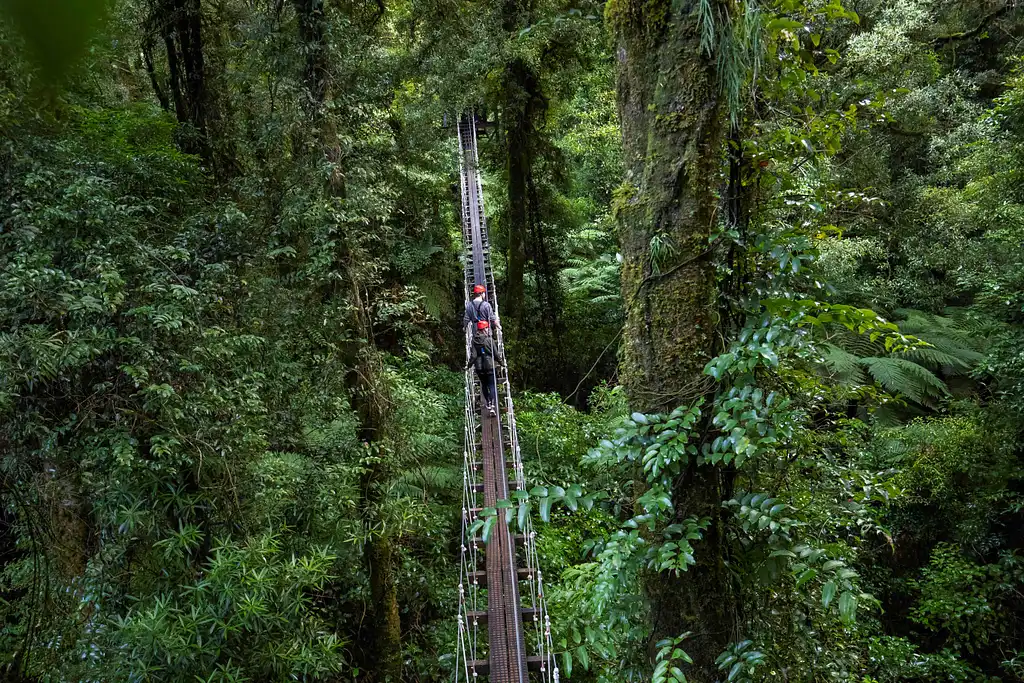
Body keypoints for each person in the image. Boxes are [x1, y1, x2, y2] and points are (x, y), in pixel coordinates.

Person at [467, 320, 498, 417]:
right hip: (489, 366)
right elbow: (496, 354)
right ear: (484, 329)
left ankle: (488, 403)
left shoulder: (474, 341)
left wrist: (468, 366)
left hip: (479, 368)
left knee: (484, 385)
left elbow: (473, 356)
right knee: (492, 385)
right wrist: (501, 363)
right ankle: (493, 406)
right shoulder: (490, 340)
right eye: (487, 328)